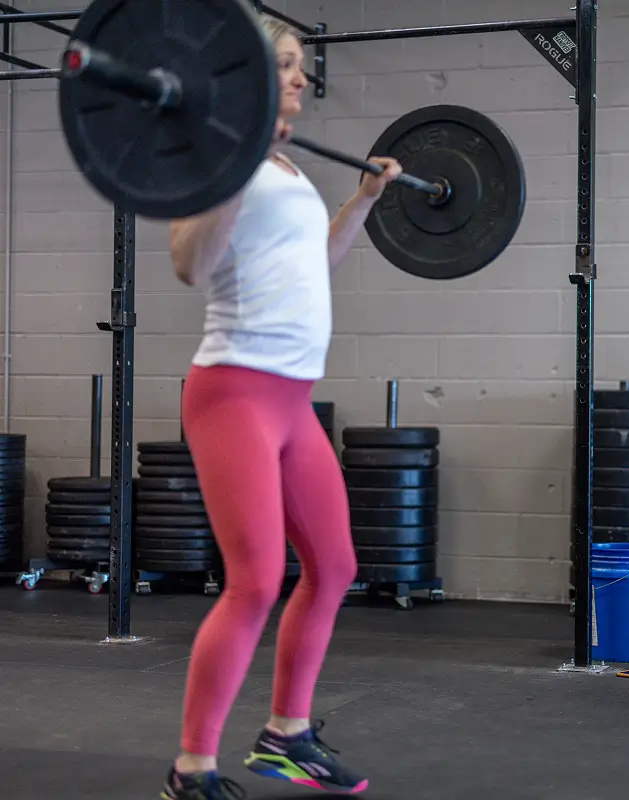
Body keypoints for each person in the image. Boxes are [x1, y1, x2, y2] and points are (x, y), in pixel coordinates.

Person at [160, 15, 403, 800]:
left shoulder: (289, 168)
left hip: (293, 400)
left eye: (301, 68)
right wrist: (230, 166)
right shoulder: (217, 160)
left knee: (333, 566)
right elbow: (190, 265)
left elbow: (313, 263)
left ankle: (287, 734)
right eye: (289, 67)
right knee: (257, 580)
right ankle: (191, 769)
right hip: (234, 390)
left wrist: (364, 201)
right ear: (249, 78)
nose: (302, 79)